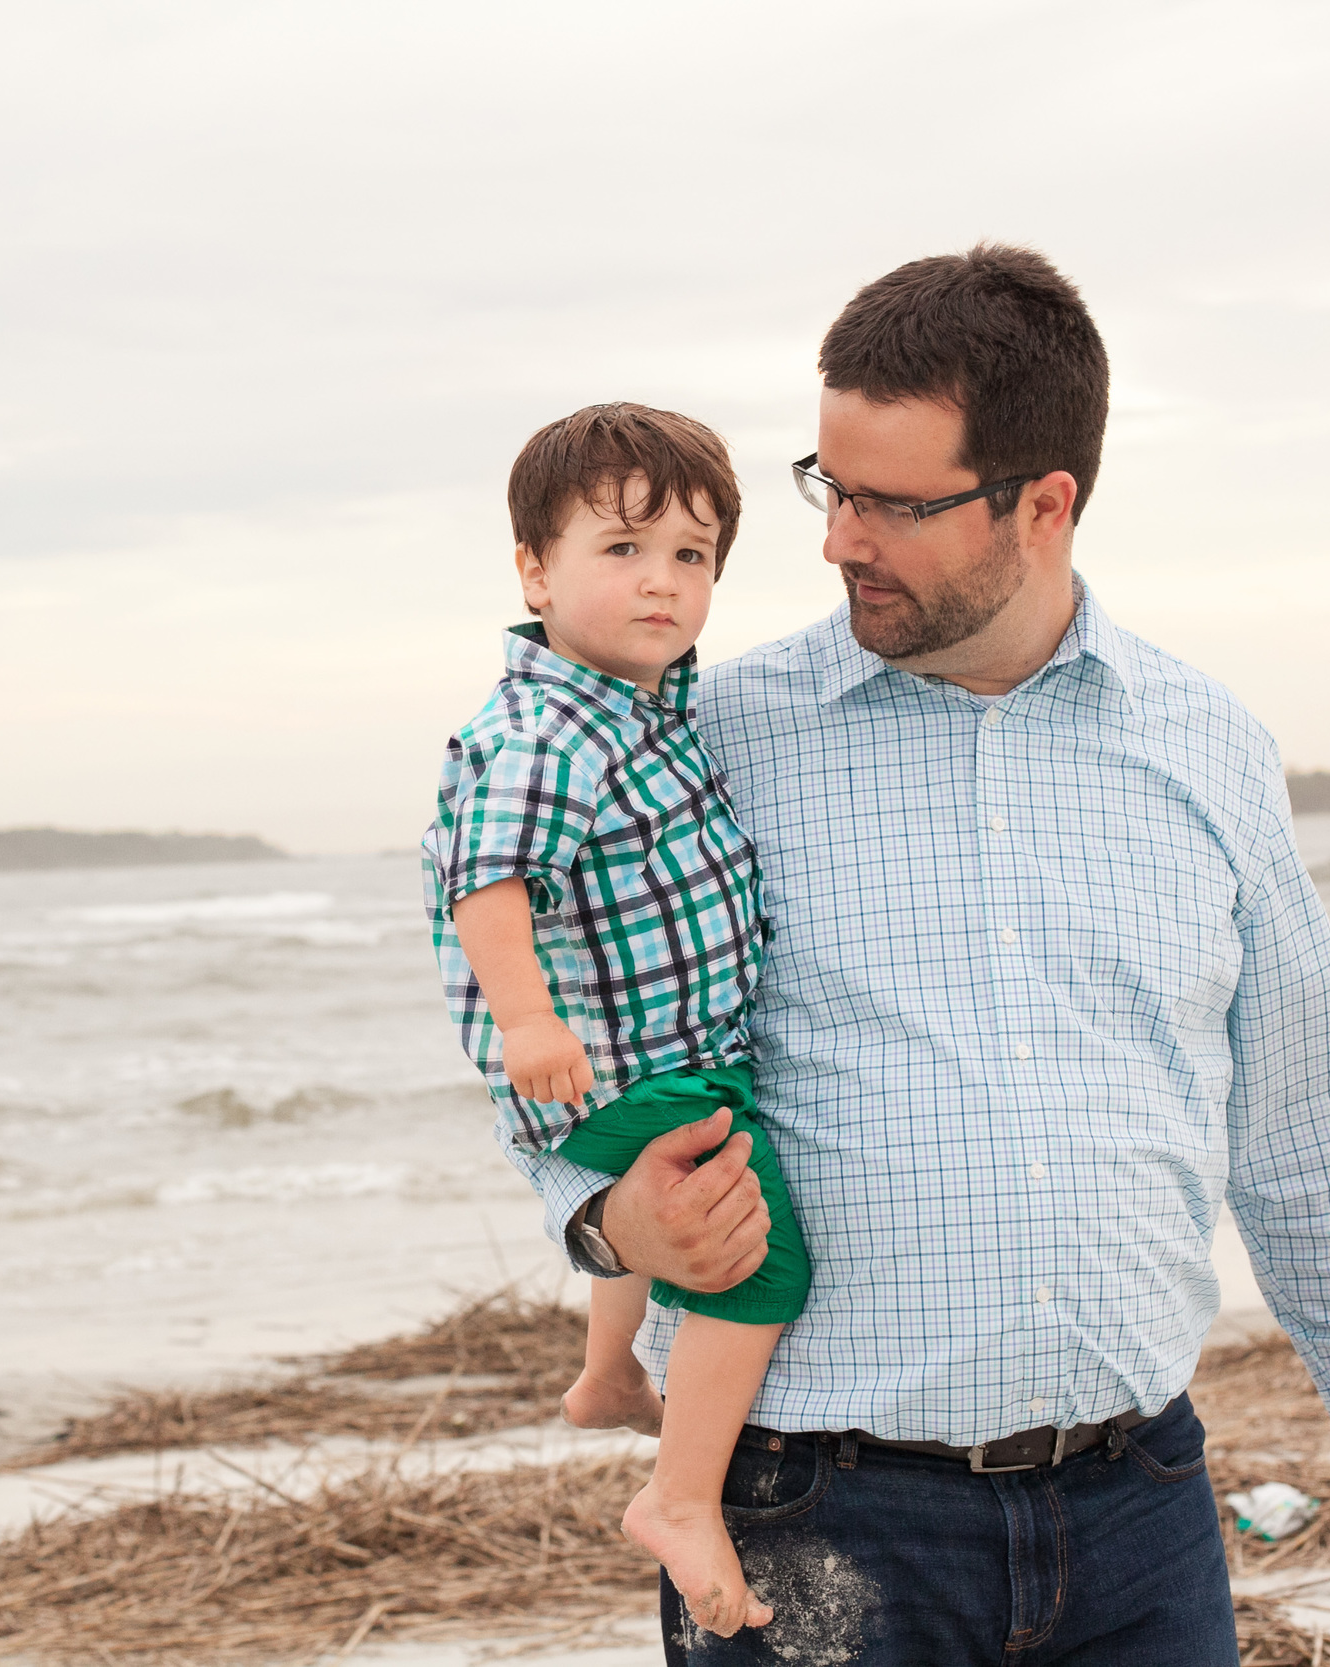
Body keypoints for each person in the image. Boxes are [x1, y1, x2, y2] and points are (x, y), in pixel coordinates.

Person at [507, 247, 1330, 1665]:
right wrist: (612, 1222)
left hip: (1141, 1503)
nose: (839, 541)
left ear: (1044, 501)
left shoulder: (1206, 745)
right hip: (808, 1511)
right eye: (828, 488)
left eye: (895, 505)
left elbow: (1304, 1113)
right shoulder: (701, 740)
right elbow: (547, 1028)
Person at [421, 403, 811, 1638]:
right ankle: (681, 1497)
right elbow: (489, 880)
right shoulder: (549, 726)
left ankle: (604, 1375)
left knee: (674, 1191)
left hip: (660, 1059)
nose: (662, 581)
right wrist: (528, 1021)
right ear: (534, 569)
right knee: (760, 1260)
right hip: (607, 1070)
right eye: (623, 549)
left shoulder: (643, 710)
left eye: (691, 556)